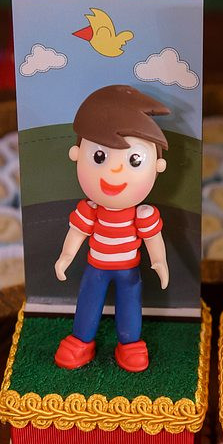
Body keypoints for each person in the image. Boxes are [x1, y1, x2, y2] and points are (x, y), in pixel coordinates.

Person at [54, 84, 170, 372]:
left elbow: (153, 239)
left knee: (130, 304)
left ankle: (129, 344)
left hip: (129, 269)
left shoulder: (142, 214)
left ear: (157, 166)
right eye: (99, 157)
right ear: (76, 154)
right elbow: (77, 233)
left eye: (134, 161)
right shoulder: (91, 209)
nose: (115, 171)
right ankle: (81, 340)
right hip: (96, 267)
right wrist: (66, 256)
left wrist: (160, 262)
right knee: (88, 302)